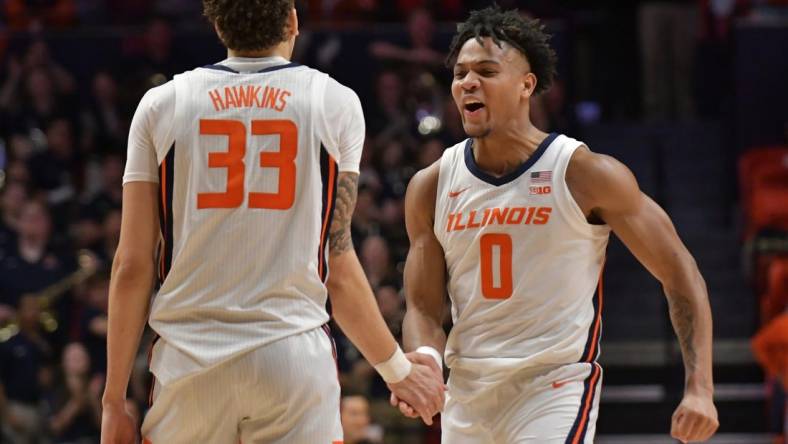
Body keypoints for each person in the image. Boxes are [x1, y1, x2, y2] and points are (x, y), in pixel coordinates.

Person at [100, 1, 444, 443]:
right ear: (293, 21)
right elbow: (337, 264)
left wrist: (113, 400)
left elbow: (131, 266)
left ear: (218, 25)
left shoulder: (161, 104)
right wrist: (397, 370)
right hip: (293, 358)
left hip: (189, 363)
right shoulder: (334, 102)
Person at [397, 6, 719, 443]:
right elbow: (422, 307)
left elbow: (681, 273)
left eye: (487, 71)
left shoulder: (584, 173)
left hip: (553, 387)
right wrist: (426, 362)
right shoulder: (430, 186)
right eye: (460, 74)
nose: (468, 83)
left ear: (527, 85)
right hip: (468, 394)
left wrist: (700, 388)